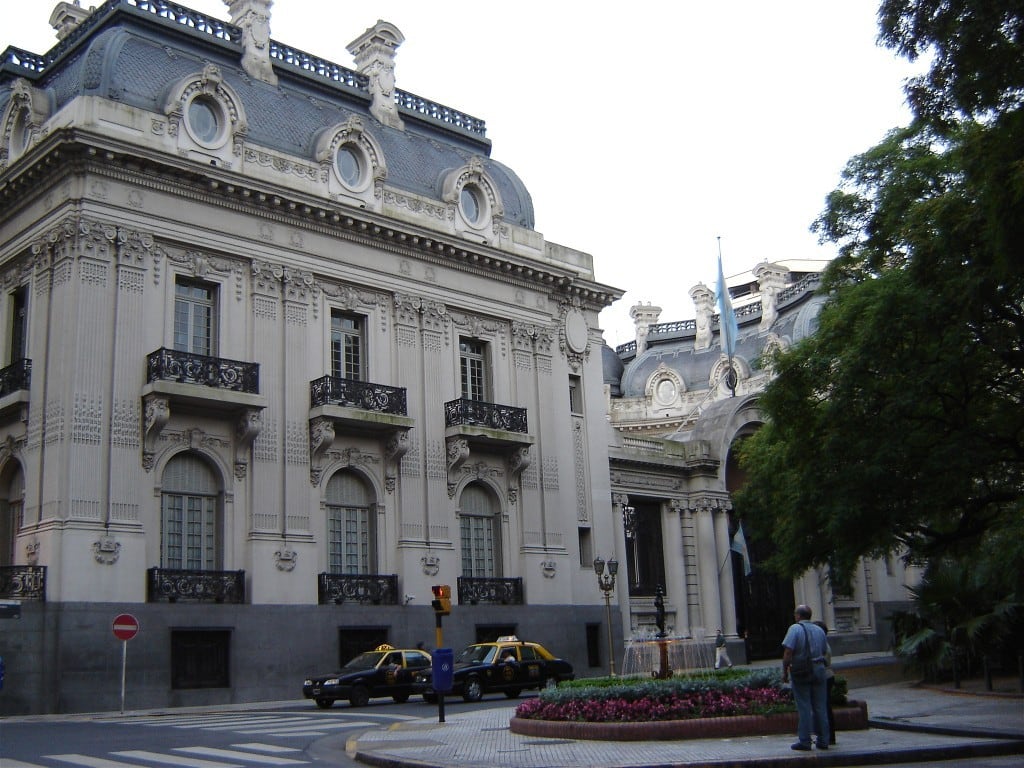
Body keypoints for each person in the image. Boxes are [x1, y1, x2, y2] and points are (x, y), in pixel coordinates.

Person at [781, 605, 830, 751]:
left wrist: (785, 671)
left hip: (802, 671)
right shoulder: (819, 630)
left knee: (804, 706)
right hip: (820, 669)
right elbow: (824, 650)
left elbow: (788, 652)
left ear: (798, 616)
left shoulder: (795, 629)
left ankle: (805, 740)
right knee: (820, 706)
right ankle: (823, 740)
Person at [814, 620, 837, 745]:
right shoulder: (824, 644)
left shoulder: (823, 646)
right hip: (827, 676)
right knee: (825, 706)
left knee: (824, 707)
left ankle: (828, 735)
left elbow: (823, 662)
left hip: (825, 677)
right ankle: (828, 735)